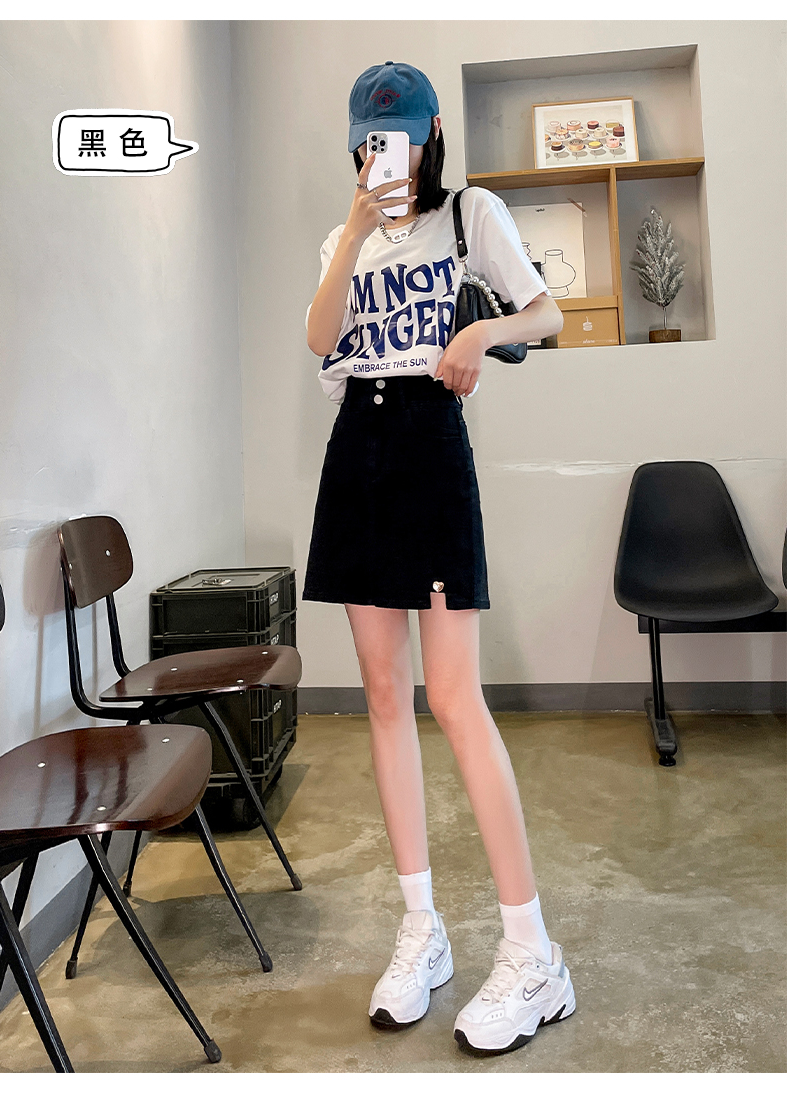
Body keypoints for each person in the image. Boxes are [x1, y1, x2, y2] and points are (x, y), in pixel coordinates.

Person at [302, 61, 575, 1056]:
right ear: (355, 144)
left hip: (427, 444)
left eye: (404, 139)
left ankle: (533, 952)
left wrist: (483, 333)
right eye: (372, 140)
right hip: (356, 453)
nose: (390, 156)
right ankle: (421, 929)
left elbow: (547, 314)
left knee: (455, 699)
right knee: (384, 696)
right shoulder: (341, 239)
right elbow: (319, 339)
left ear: (429, 139)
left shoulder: (471, 214)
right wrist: (352, 228)